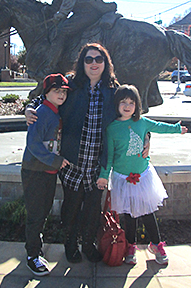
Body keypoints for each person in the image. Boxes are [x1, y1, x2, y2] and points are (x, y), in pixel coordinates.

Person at [26, 43, 136, 264]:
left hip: (97, 164)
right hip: (72, 162)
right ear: (82, 62)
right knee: (72, 207)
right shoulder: (71, 84)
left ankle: (88, 244)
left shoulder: (113, 90)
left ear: (105, 63)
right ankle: (70, 245)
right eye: (89, 59)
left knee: (93, 209)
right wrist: (29, 108)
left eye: (99, 59)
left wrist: (147, 139)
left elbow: (132, 114)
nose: (94, 63)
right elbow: (42, 98)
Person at [96, 84, 188, 265]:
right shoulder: (112, 128)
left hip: (143, 176)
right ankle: (131, 246)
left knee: (148, 212)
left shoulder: (142, 122)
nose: (127, 106)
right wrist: (104, 175)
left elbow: (160, 126)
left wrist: (177, 129)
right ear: (116, 105)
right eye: (123, 102)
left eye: (131, 102)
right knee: (129, 215)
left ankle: (156, 244)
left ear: (137, 105)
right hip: (122, 178)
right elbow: (109, 156)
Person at [19, 0, 117, 78]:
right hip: (81, 11)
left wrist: (63, 13)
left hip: (88, 11)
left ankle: (49, 67)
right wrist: (50, 10)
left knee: (62, 31)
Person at [21, 73, 71, 276]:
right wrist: (56, 161)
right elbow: (32, 144)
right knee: (36, 214)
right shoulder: (41, 113)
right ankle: (32, 255)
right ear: (46, 93)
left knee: (43, 212)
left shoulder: (55, 112)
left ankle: (36, 249)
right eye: (56, 91)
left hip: (48, 171)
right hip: (35, 171)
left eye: (63, 92)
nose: (61, 95)